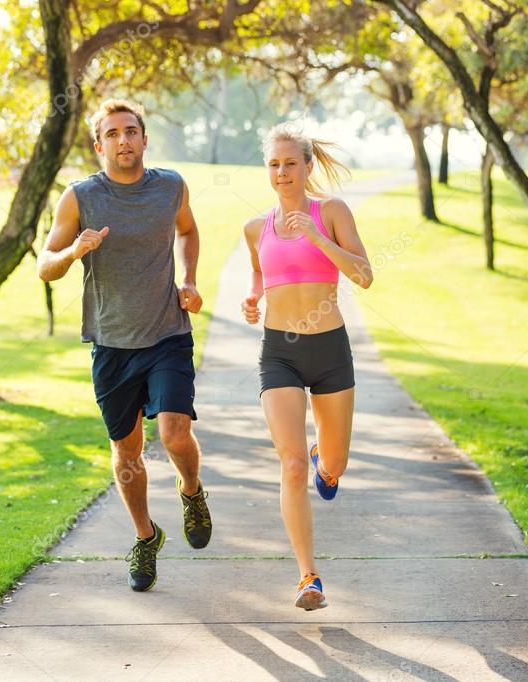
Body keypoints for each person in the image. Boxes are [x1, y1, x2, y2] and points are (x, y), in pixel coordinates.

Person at [37, 99, 212, 592]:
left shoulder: (170, 186)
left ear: (144, 139)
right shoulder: (79, 198)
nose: (123, 140)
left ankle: (191, 491)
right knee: (127, 452)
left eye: (131, 131)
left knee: (176, 434)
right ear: (99, 145)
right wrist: (75, 250)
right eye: (112, 134)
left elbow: (189, 229)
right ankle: (145, 537)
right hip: (112, 343)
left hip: (167, 334)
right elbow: (44, 264)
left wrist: (191, 279)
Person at [240, 124, 373, 610]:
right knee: (291, 465)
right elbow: (261, 278)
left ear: (307, 165)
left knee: (330, 465)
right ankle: (308, 577)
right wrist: (253, 301)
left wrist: (318, 237)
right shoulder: (256, 227)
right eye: (273, 164)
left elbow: (364, 275)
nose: (281, 172)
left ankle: (327, 462)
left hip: (330, 351)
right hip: (279, 353)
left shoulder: (331, 212)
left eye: (290, 163)